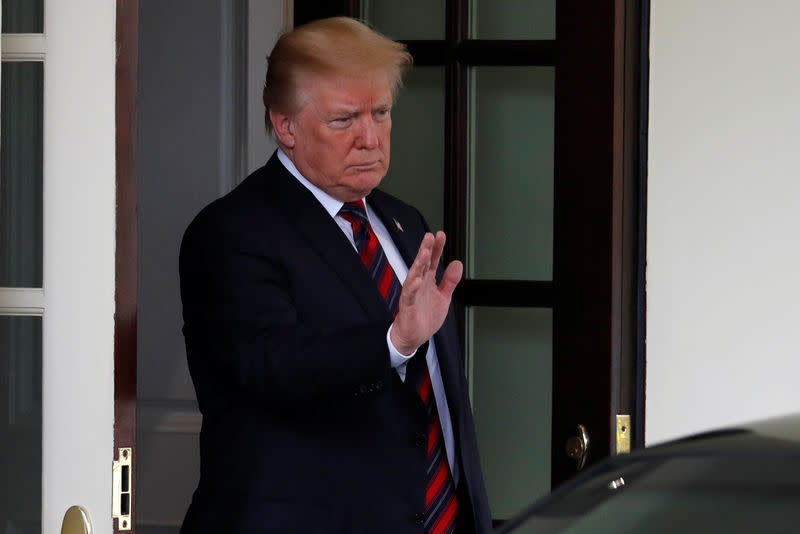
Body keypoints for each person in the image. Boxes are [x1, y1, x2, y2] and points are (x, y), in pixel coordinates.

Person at [178, 16, 491, 534]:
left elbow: (437, 400)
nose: (370, 138)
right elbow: (271, 368)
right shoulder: (232, 232)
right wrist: (393, 341)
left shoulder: (404, 221)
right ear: (285, 125)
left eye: (382, 112)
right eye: (344, 120)